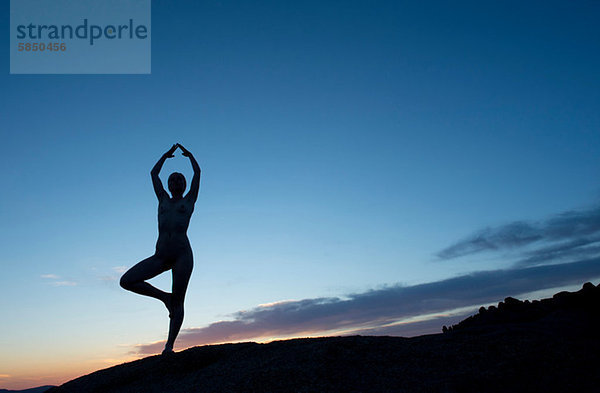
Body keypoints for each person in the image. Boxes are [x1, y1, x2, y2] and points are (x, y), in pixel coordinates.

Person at [120, 143, 201, 355]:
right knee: (126, 281)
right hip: (161, 255)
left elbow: (198, 173)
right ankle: (164, 297)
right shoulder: (162, 199)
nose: (176, 181)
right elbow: (153, 173)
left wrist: (190, 156)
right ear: (168, 184)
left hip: (183, 255)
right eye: (173, 179)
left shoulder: (189, 200)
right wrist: (165, 156)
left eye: (180, 179)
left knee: (180, 300)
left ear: (184, 185)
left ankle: (169, 346)